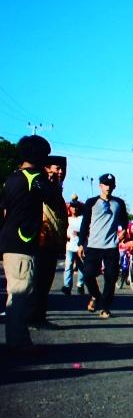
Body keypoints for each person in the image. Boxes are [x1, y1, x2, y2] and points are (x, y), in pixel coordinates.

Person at [0, 135, 64, 353]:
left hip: (9, 241)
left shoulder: (11, 178)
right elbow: (55, 201)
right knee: (20, 292)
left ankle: (19, 338)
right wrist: (50, 182)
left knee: (16, 291)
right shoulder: (34, 178)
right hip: (23, 242)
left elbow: (5, 210)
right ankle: (17, 343)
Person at [77, 173, 129, 319]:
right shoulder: (91, 202)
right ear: (100, 186)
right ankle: (95, 295)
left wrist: (124, 231)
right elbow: (84, 223)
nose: (108, 187)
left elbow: (124, 221)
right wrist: (81, 243)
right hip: (93, 245)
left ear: (114, 186)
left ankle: (105, 307)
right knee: (88, 274)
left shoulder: (119, 203)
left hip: (111, 246)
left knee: (111, 278)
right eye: (105, 184)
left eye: (111, 184)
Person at [29, 155, 68, 328]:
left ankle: (39, 316)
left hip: (52, 242)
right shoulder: (42, 184)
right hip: (41, 241)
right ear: (46, 168)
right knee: (38, 282)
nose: (60, 172)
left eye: (62, 169)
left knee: (45, 283)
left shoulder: (56, 187)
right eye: (57, 168)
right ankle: (33, 317)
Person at [62, 201, 85, 295]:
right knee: (68, 265)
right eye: (72, 207)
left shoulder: (82, 218)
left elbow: (86, 230)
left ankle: (80, 284)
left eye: (76, 207)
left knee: (81, 266)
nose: (74, 209)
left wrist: (79, 233)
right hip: (69, 246)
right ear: (70, 208)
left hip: (80, 246)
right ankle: (67, 286)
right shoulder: (67, 219)